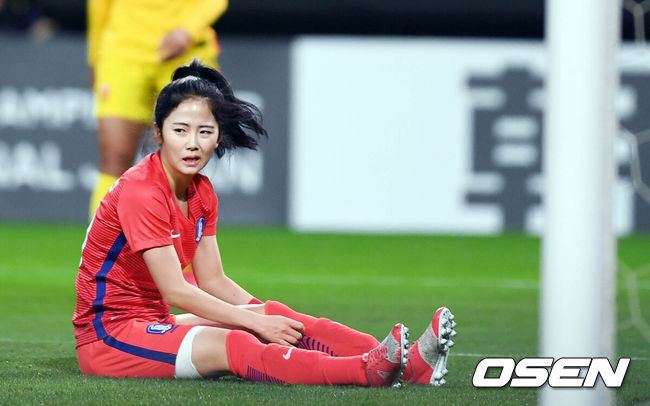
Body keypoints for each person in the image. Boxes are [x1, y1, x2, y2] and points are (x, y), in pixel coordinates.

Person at [72, 60, 457, 386]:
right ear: (158, 133)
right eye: (180, 130)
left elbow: (213, 280)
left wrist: (265, 317)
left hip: (154, 322)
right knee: (237, 344)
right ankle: (365, 372)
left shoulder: (202, 192)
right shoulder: (143, 190)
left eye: (205, 132)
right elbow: (176, 290)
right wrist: (253, 324)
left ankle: (402, 362)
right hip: (109, 337)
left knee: (275, 315)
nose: (192, 143)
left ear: (218, 136)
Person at [86, 0, 228, 219]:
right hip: (122, 52)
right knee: (115, 156)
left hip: (187, 50)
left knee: (186, 159)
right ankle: (103, 239)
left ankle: (183, 238)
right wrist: (95, 56)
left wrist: (188, 31)